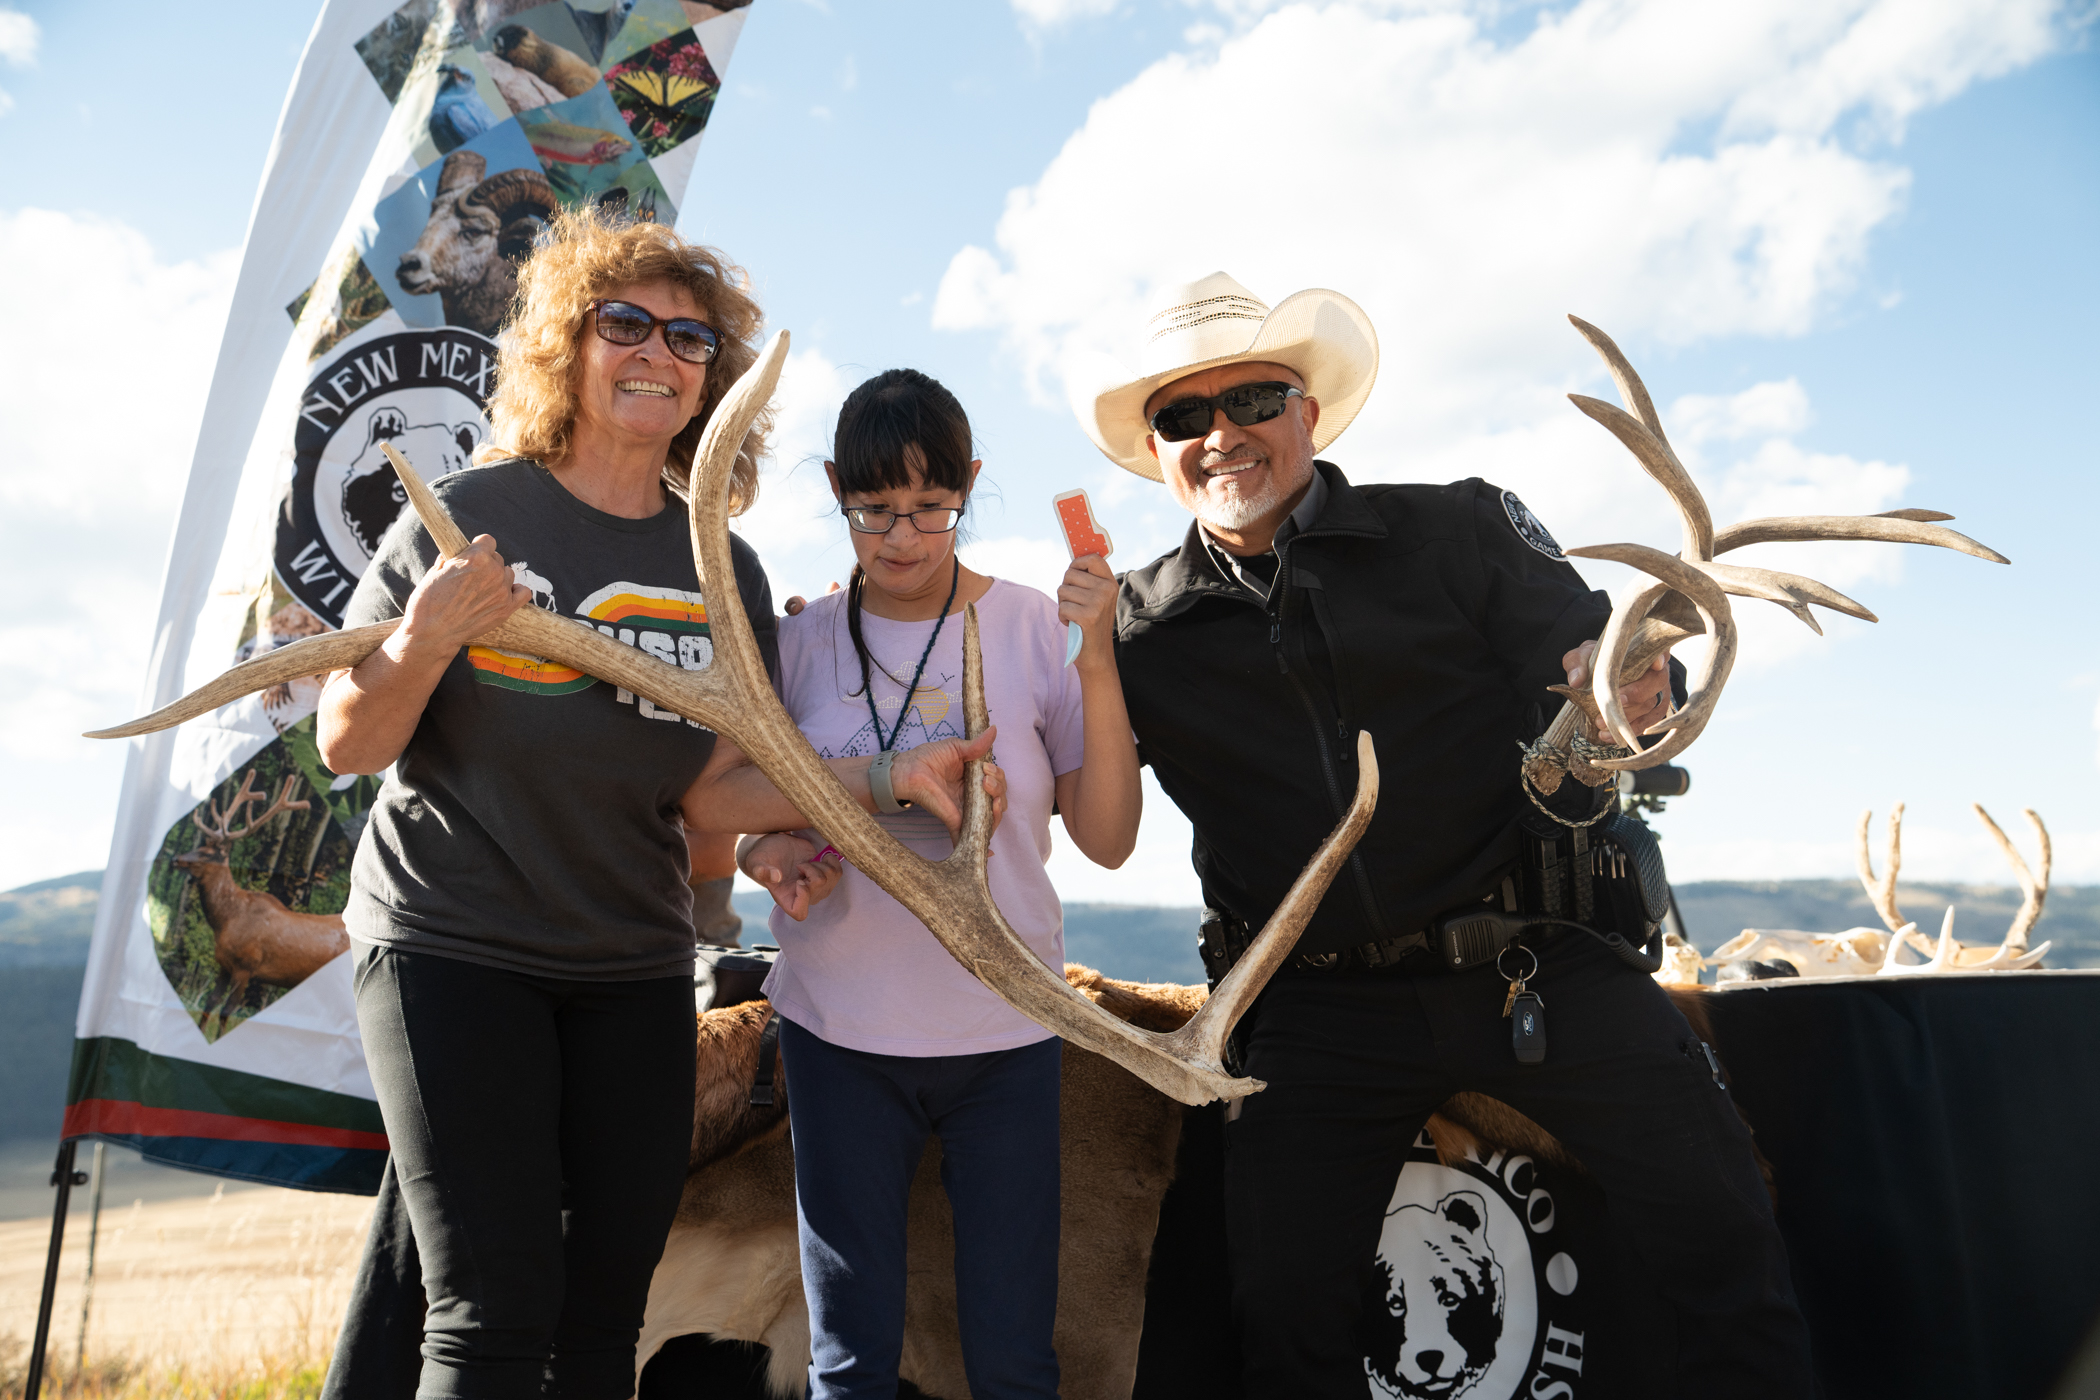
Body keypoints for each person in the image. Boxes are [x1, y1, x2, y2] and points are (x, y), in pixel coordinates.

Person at [1077, 272, 1815, 1396]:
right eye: (1186, 415)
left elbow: (1605, 678)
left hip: (1536, 969)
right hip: (1315, 1010)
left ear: (1308, 413)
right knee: (1278, 1318)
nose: (1223, 434)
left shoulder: (1460, 528)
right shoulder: (1131, 624)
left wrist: (1630, 687)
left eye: (1255, 399)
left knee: (1723, 1232)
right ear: (1159, 446)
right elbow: (1074, 799)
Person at [317, 213, 999, 1400]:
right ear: (565, 347)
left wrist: (883, 783)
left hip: (630, 967)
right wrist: (429, 631)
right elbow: (349, 738)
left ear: (712, 378)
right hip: (454, 949)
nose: (656, 352)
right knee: (489, 1310)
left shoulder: (719, 567)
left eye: (687, 337)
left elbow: (711, 784)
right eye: (623, 322)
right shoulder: (471, 514)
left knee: (603, 1318)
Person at [691, 368, 1141, 1400]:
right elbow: (727, 807)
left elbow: (1110, 837)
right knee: (851, 1362)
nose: (901, 536)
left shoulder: (1034, 626)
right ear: (839, 494)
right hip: (840, 1037)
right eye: (874, 510)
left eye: (932, 507)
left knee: (1015, 1358)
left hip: (1009, 1036)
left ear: (970, 486)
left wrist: (1101, 656)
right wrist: (774, 851)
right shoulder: (800, 641)